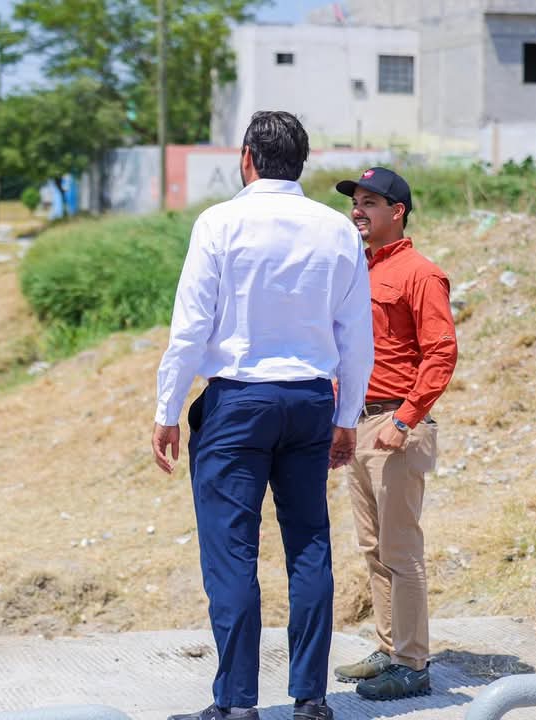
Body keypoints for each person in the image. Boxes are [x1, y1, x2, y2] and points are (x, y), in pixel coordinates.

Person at [152, 110, 374, 720]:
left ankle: (236, 703)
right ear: (301, 162)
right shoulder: (338, 230)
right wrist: (347, 417)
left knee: (231, 551)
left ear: (247, 157)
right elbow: (356, 336)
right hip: (310, 401)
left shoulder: (219, 222)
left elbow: (191, 327)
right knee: (309, 544)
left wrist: (168, 408)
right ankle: (311, 700)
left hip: (238, 401)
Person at [331, 168, 458, 701]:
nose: (357, 211)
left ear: (397, 211)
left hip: (396, 425)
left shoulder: (421, 273)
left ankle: (413, 664)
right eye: (355, 202)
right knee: (374, 548)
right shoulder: (356, 271)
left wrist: (405, 420)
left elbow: (441, 352)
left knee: (402, 551)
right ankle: (388, 648)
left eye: (369, 202)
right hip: (359, 423)